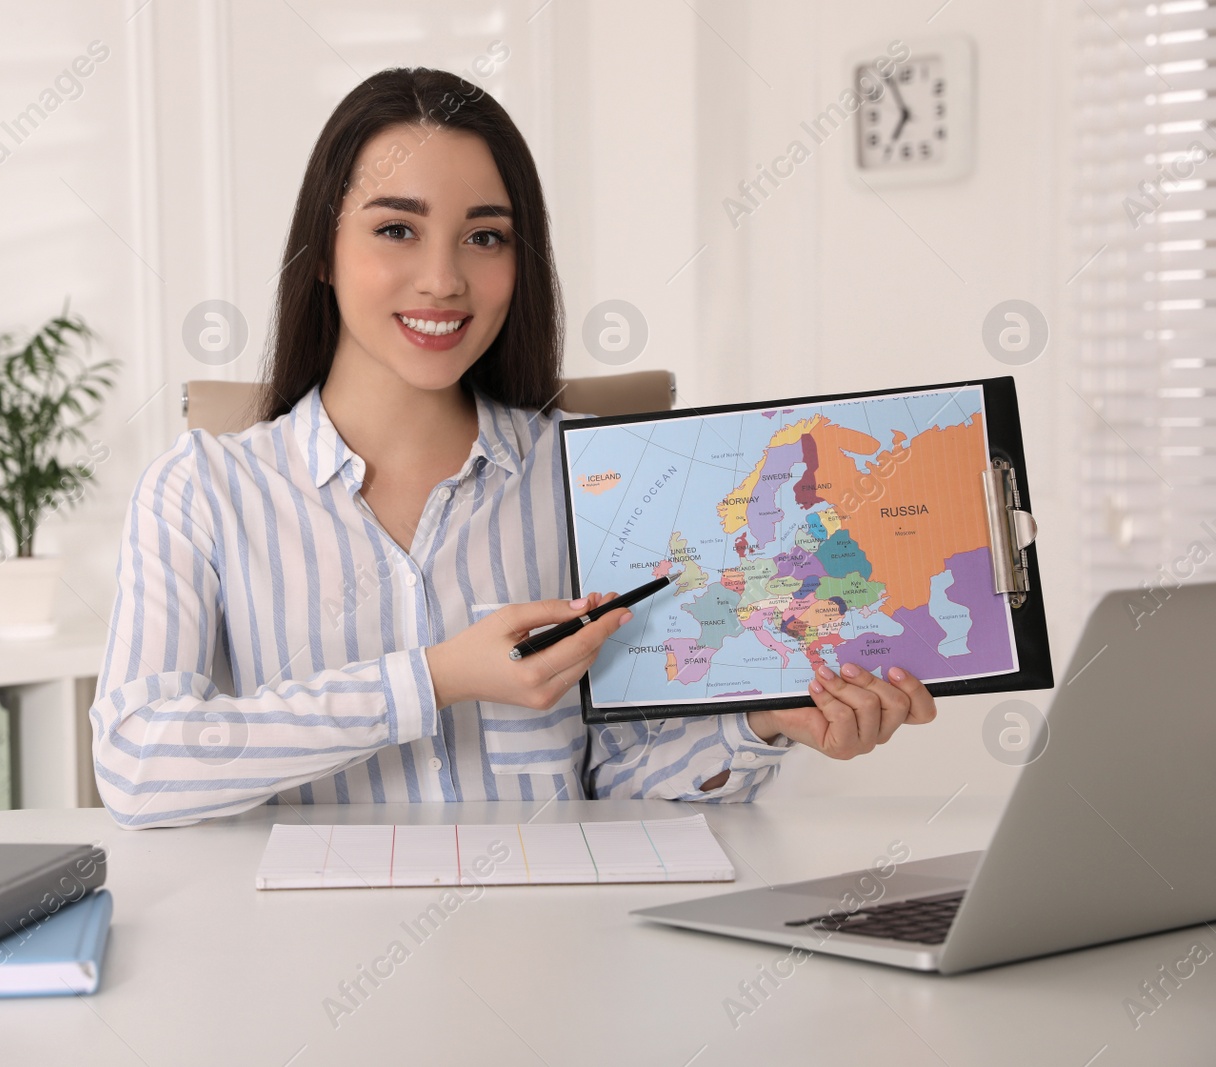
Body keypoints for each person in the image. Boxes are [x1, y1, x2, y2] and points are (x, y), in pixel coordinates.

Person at [90, 67, 937, 828]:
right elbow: (136, 764)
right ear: (322, 251)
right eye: (397, 229)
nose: (444, 278)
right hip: (312, 965)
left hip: (557, 960)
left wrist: (761, 725)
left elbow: (625, 784)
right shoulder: (200, 490)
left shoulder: (603, 479)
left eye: (485, 236)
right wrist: (433, 678)